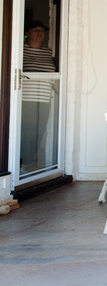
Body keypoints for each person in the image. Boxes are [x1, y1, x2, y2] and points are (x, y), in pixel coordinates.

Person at [20, 20, 56, 174]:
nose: (40, 33)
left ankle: (29, 162)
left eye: (42, 30)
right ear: (27, 33)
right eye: (35, 30)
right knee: (27, 130)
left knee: (40, 131)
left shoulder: (47, 52)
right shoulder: (21, 50)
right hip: (27, 97)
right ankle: (22, 163)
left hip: (44, 97)